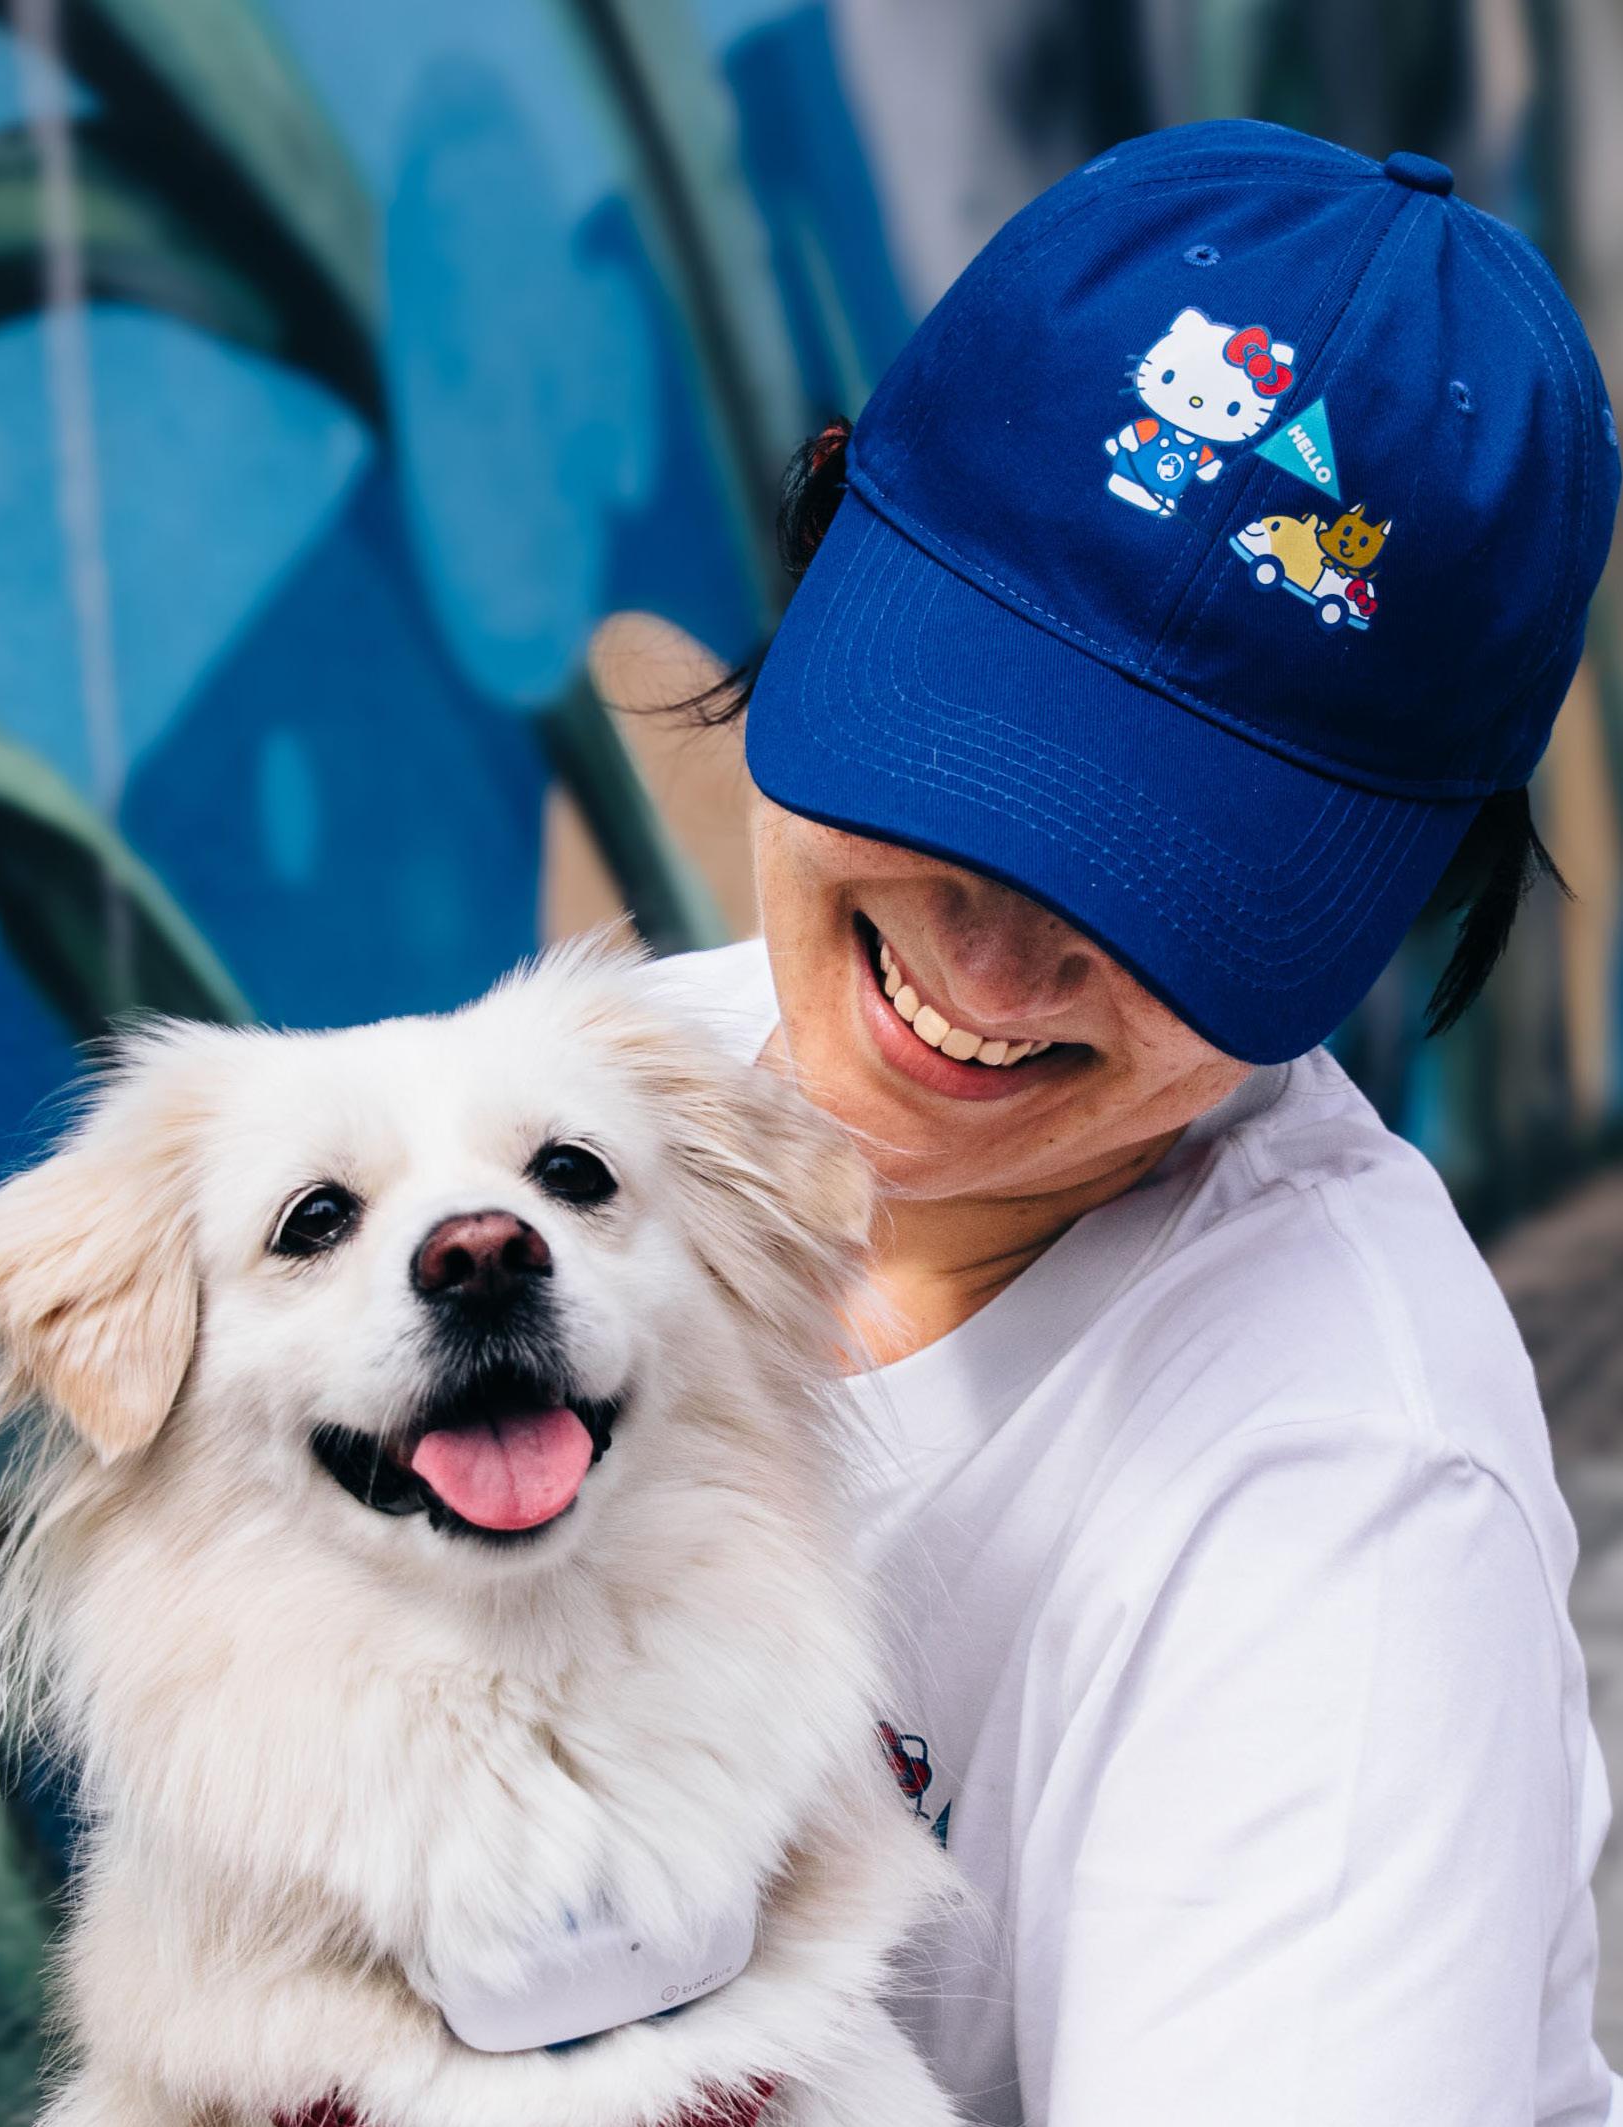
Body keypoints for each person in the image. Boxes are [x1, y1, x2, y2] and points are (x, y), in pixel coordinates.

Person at [653, 119, 1622, 2125]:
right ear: (826, 533)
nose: (992, 972)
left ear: (1416, 884)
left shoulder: (1343, 1514)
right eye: (950, 769)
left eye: (1163, 881)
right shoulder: (579, 1116)